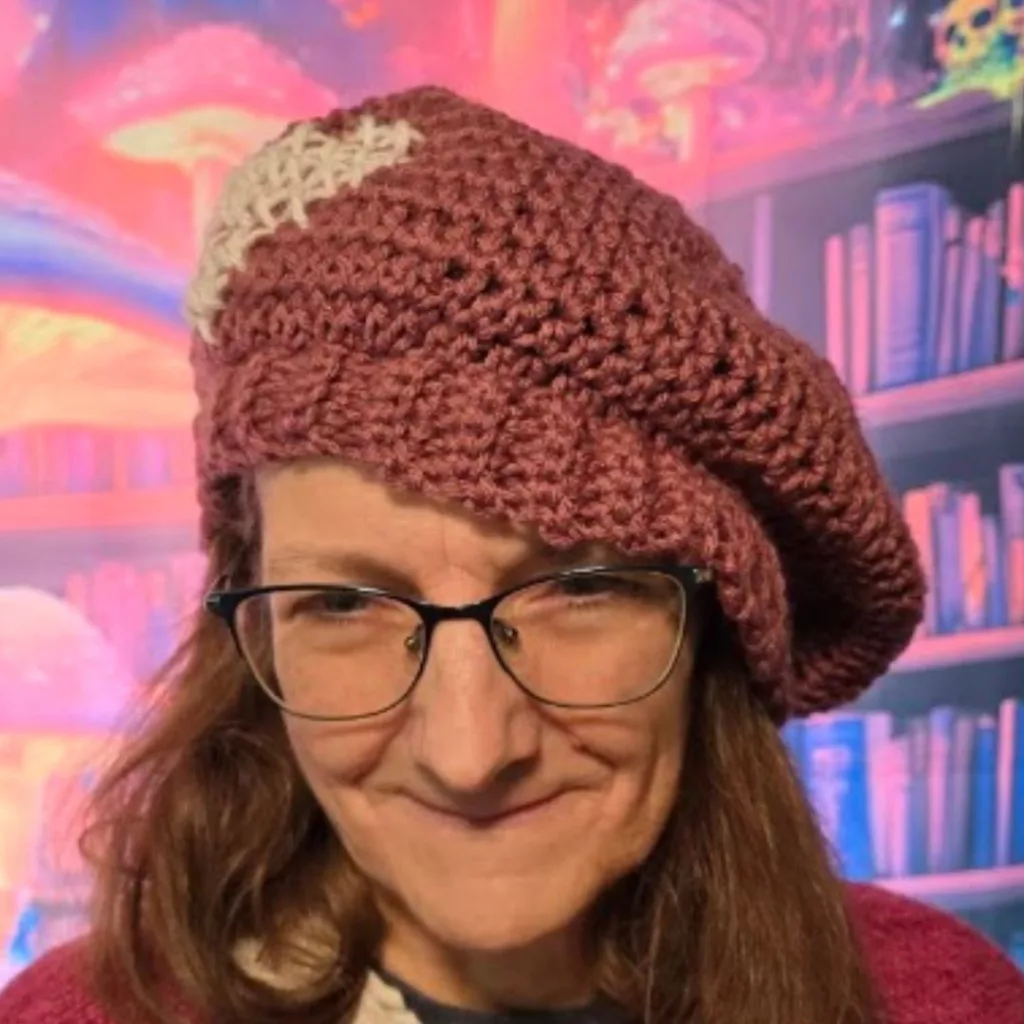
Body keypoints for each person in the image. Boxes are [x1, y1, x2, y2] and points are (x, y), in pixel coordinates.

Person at [1, 85, 1022, 1024]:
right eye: (344, 604)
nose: (469, 751)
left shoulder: (933, 1000)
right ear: (253, 627)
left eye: (577, 587)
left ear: (718, 614)